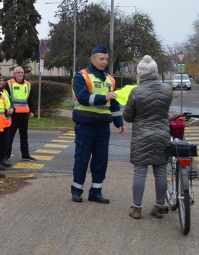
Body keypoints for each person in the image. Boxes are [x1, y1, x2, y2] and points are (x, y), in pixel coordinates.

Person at [71, 45, 125, 203]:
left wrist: (119, 122)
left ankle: (96, 191)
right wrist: (104, 97)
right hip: (85, 124)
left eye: (106, 59)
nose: (104, 62)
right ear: (92, 59)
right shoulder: (81, 76)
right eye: (101, 59)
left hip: (103, 126)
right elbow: (83, 98)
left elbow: (114, 104)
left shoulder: (110, 79)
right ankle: (77, 191)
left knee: (101, 161)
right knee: (82, 159)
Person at [122, 55, 173, 219]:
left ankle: (136, 209)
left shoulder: (136, 91)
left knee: (140, 171)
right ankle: (159, 207)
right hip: (162, 134)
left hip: (142, 136)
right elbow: (165, 110)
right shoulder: (167, 89)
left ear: (140, 74)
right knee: (161, 171)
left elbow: (128, 116)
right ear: (156, 71)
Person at [6, 66, 37, 161]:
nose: (20, 74)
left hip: (24, 114)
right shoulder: (9, 83)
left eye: (22, 72)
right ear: (14, 74)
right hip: (13, 114)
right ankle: (6, 155)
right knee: (10, 136)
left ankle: (25, 154)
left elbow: (30, 99)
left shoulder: (28, 84)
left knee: (24, 135)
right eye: (18, 72)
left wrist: (32, 111)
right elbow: (6, 98)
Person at [0, 70, 14, 169]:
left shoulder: (5, 91)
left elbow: (10, 101)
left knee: (5, 143)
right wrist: (6, 111)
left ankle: (2, 160)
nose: (2, 82)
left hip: (7, 123)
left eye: (2, 80)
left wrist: (12, 109)